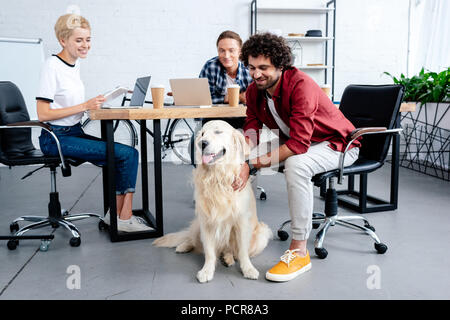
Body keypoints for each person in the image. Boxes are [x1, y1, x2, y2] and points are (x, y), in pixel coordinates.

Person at [236, 33, 361, 282]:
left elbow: (298, 145)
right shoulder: (253, 91)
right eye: (251, 67)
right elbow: (251, 130)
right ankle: (240, 235)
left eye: (263, 68)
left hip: (337, 145)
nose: (256, 74)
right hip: (300, 141)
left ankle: (299, 251)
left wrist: (253, 164)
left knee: (296, 164)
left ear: (281, 66)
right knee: (234, 161)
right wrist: (243, 160)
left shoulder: (301, 85)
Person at [36, 14, 152, 232]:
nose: (85, 45)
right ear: (63, 40)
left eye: (88, 39)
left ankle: (117, 216)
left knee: (127, 154)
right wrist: (84, 105)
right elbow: (43, 114)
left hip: (74, 132)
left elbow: (68, 104)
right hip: (56, 138)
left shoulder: (73, 65)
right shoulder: (52, 66)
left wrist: (98, 101)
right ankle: (122, 218)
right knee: (127, 155)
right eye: (79, 40)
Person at [199, 30, 253, 129]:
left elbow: (255, 99)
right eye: (222, 50)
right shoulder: (210, 67)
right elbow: (203, 99)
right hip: (215, 118)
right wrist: (230, 97)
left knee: (252, 140)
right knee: (201, 140)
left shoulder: (250, 69)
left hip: (244, 118)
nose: (226, 55)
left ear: (240, 52)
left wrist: (242, 98)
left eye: (231, 50)